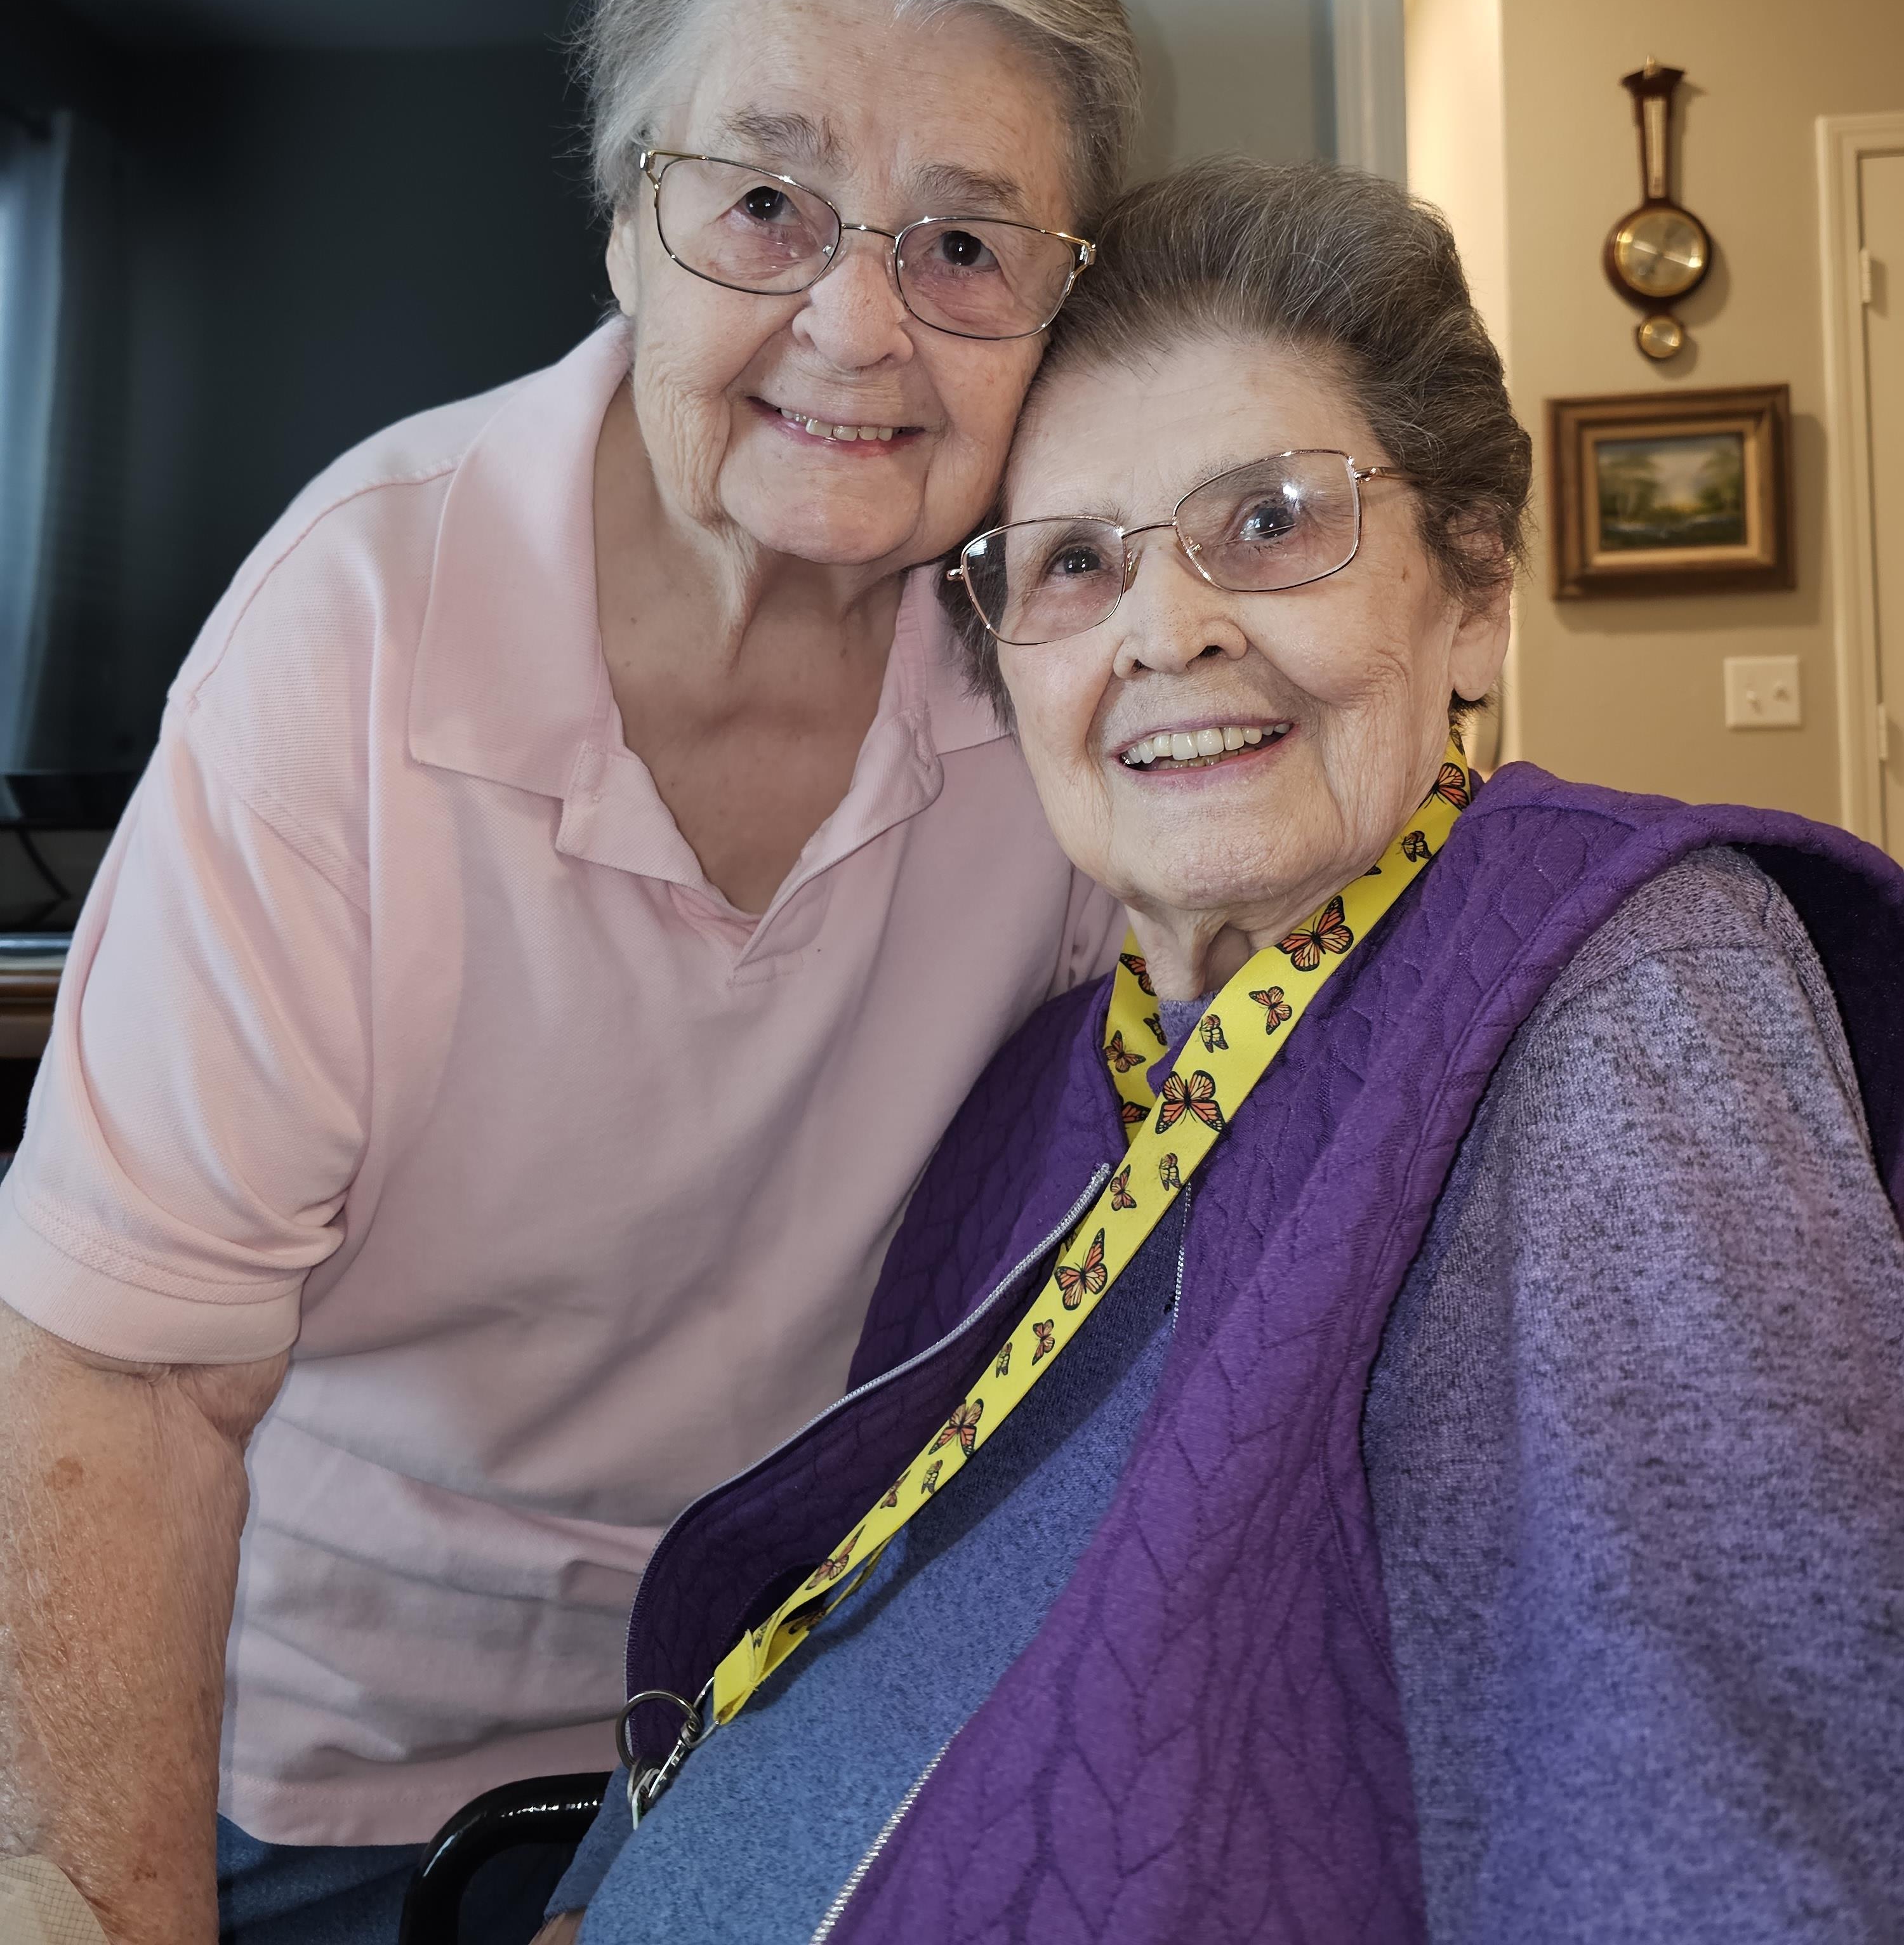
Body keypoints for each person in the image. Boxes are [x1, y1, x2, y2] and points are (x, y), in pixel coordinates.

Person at [538, 159, 1904, 1944]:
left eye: (1269, 522)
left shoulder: (1623, 995)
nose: (1165, 630)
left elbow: (1721, 1837)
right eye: (1076, 564)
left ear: (1475, 590)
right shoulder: (1041, 1085)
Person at [0, 0, 1142, 1945]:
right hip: (328, 1771)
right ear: (630, 227)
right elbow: (126, 1381)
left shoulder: (1076, 658)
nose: (860, 324)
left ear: (1061, 318)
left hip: (801, 1725)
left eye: (967, 246)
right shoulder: (352, 635)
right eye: (767, 204)